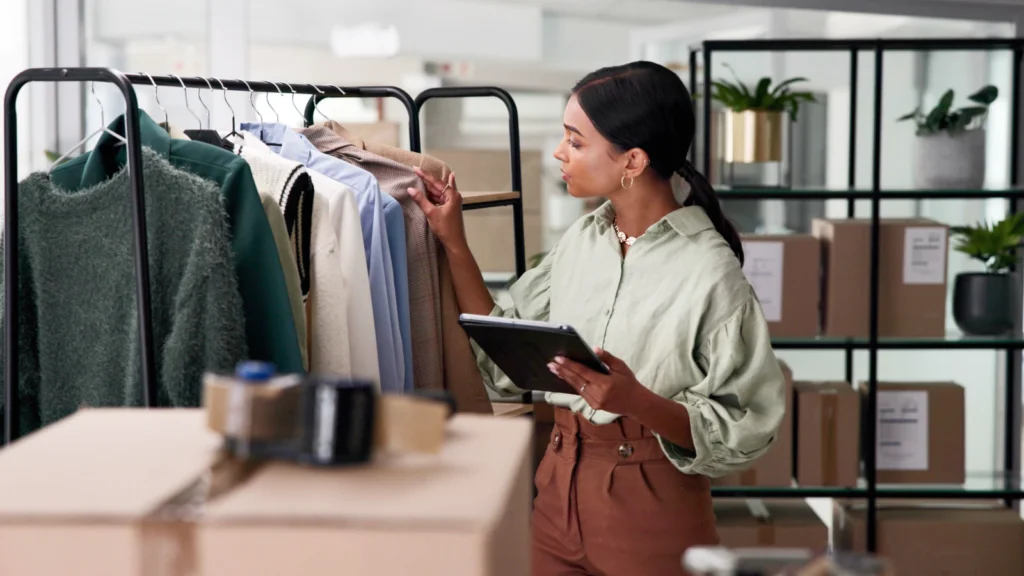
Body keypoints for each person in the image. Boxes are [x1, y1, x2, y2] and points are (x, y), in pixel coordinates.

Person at [408, 61, 786, 576]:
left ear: (631, 159)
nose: (560, 154)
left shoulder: (711, 273)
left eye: (575, 141)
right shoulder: (583, 240)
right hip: (556, 487)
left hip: (652, 509)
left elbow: (747, 429)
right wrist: (453, 242)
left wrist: (638, 401)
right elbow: (503, 341)